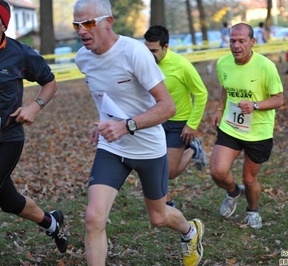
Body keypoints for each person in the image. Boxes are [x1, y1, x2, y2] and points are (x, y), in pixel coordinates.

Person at [72, 0, 204, 265]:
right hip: (113, 148)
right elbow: (107, 98)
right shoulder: (82, 59)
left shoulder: (135, 52)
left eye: (88, 23)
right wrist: (103, 123)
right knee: (93, 218)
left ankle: (191, 231)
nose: (82, 31)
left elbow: (168, 107)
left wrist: (126, 125)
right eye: (77, 25)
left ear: (108, 22)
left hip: (148, 148)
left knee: (158, 217)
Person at [0, 0, 68, 264]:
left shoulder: (20, 54)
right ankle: (51, 222)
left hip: (8, 138)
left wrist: (35, 105)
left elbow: (50, 82)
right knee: (9, 202)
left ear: (3, 25)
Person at [211, 23, 284, 229]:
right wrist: (219, 110)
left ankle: (252, 211)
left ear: (252, 42)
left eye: (242, 41)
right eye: (232, 41)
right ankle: (234, 192)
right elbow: (226, 88)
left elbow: (279, 99)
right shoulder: (223, 63)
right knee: (217, 172)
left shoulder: (266, 66)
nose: (236, 46)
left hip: (258, 131)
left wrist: (255, 105)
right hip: (231, 126)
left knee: (249, 178)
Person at [143, 25, 208, 208]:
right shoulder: (144, 64)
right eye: (146, 50)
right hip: (154, 121)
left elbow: (201, 93)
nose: (149, 55)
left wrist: (192, 124)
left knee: (169, 171)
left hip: (179, 123)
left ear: (166, 47)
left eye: (154, 50)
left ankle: (193, 150)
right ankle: (166, 202)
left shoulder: (181, 65)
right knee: (154, 165)